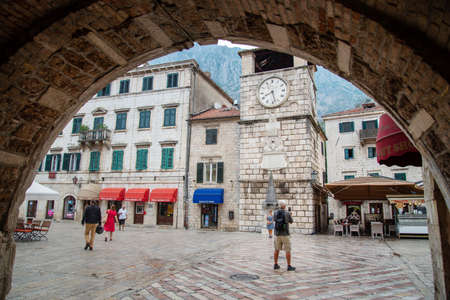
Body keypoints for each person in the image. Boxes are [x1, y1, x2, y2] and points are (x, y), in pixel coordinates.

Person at [273, 200, 295, 271]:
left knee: (276, 249)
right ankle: (289, 266)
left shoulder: (275, 212)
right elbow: (291, 221)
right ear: (284, 206)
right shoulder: (287, 213)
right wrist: (290, 215)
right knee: (287, 250)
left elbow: (274, 219)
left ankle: (275, 264)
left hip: (277, 234)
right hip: (285, 234)